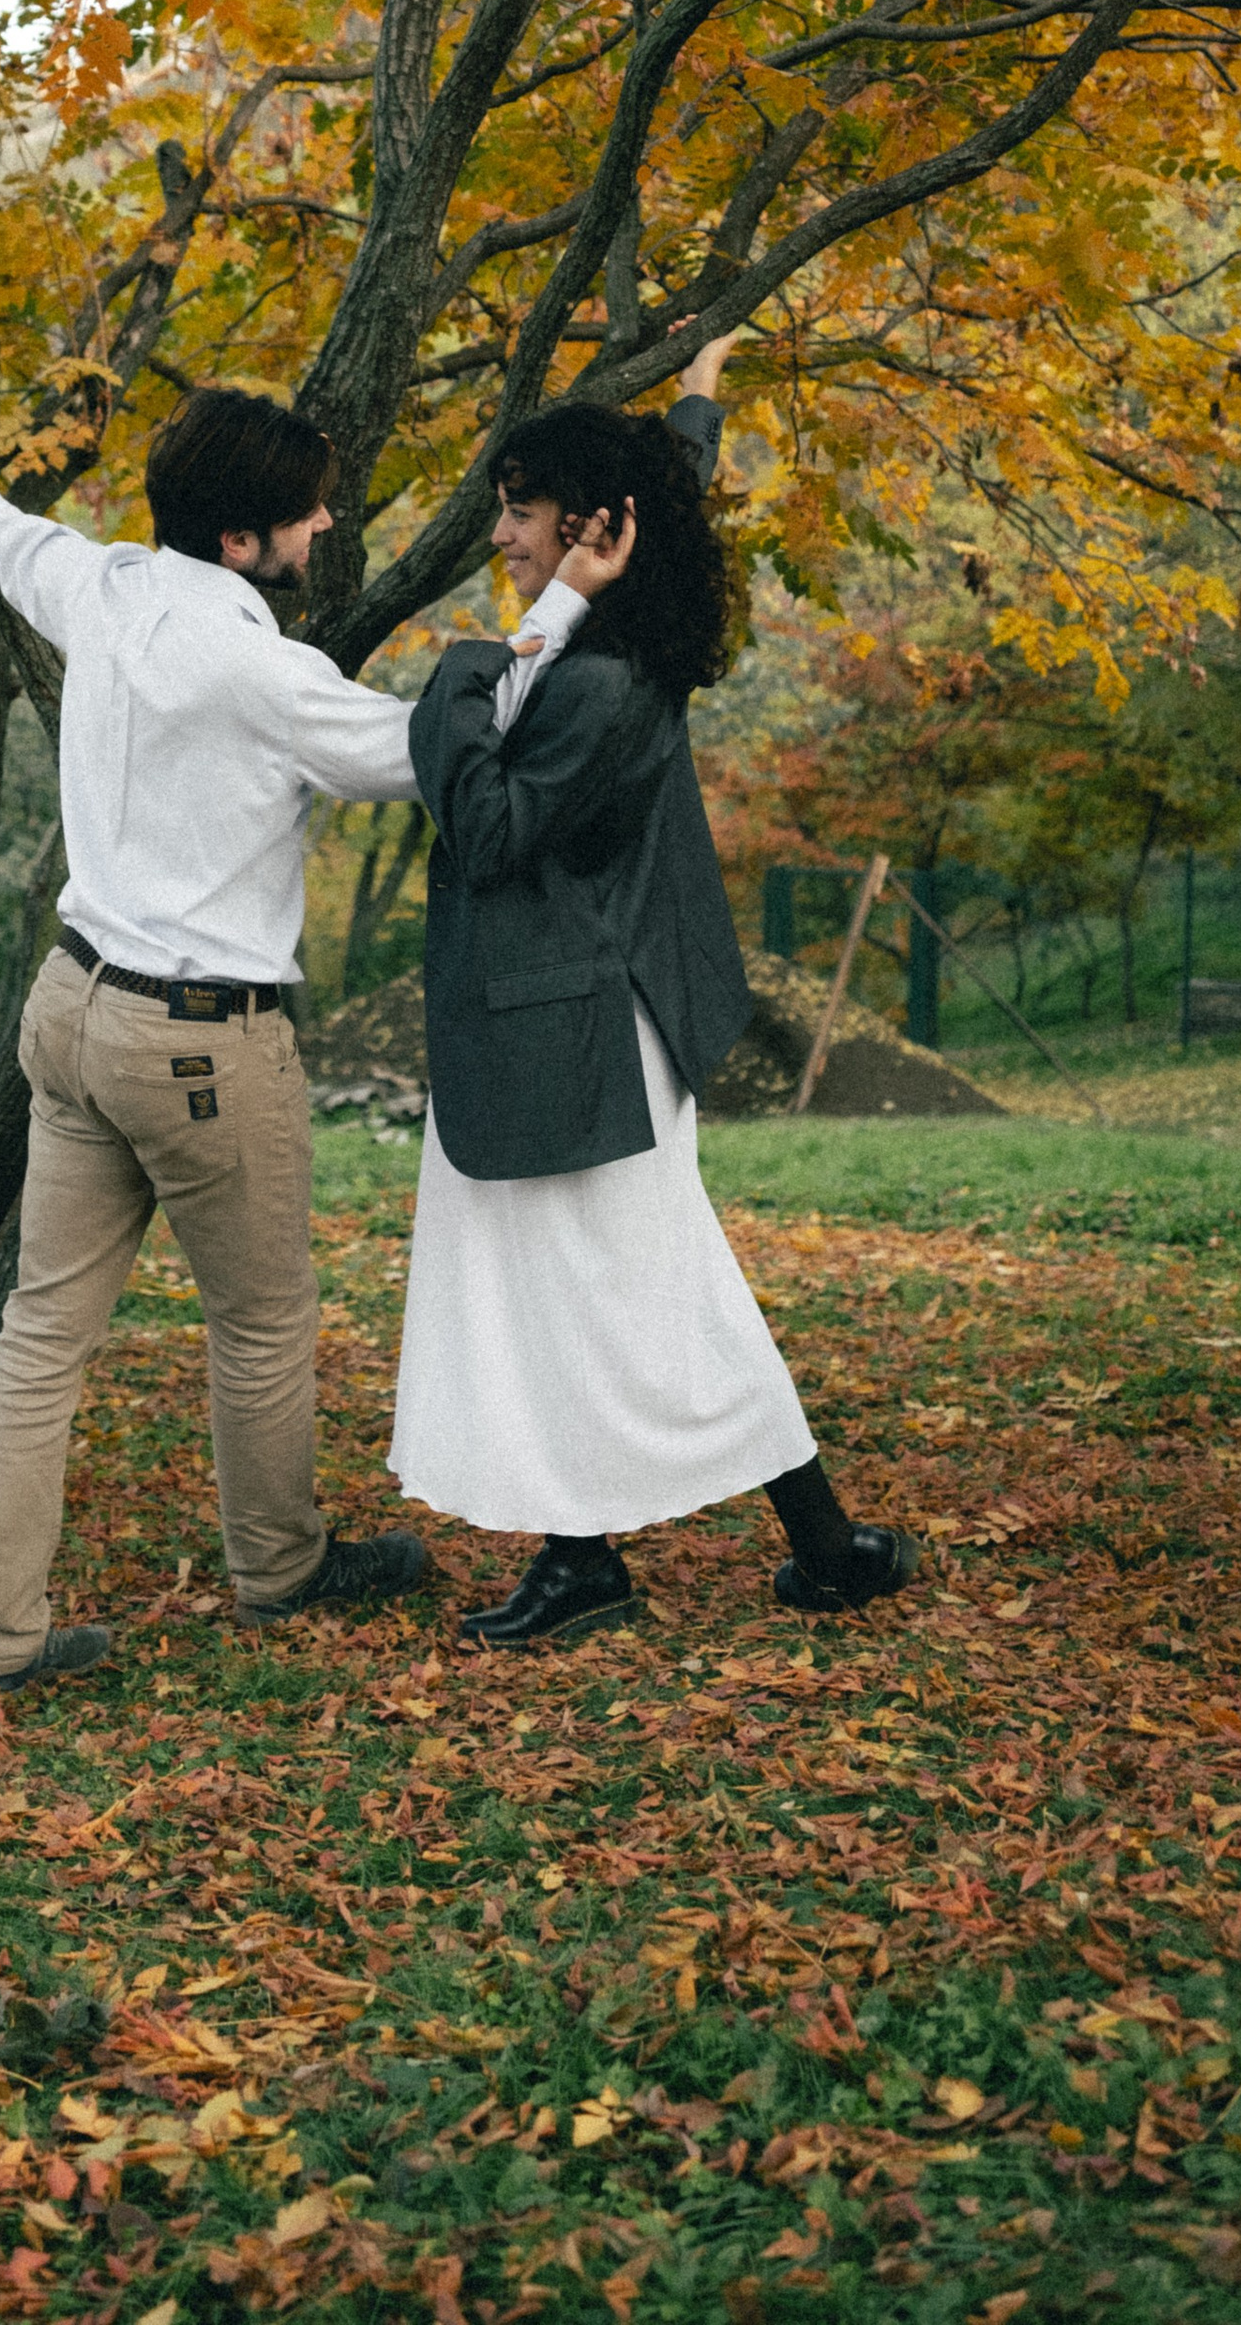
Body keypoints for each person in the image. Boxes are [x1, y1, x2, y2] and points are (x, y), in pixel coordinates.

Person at [0, 381, 433, 1697]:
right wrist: (569, 637)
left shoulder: (106, 586)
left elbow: (0, 529)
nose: (325, 524)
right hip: (201, 1045)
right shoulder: (262, 668)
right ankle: (281, 1568)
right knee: (261, 1322)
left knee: (40, 1336)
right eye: (305, 512)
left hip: (73, 1011)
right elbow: (427, 756)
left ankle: (0, 1640)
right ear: (242, 541)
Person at [389, 340, 921, 1648]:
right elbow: (661, 492)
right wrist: (698, 397)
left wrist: (477, 659)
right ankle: (699, 1551)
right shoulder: (626, 629)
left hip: (585, 1032)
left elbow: (492, 825)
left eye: (521, 511)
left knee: (652, 1290)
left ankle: (800, 1546)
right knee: (614, 1287)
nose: (500, 534)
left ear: (586, 530)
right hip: (593, 1020)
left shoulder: (596, 682)